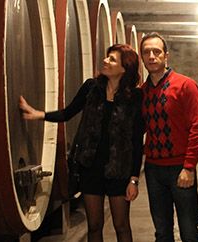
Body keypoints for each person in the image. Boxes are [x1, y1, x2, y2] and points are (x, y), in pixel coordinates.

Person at [19, 44, 144, 242]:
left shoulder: (135, 97)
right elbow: (67, 113)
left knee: (121, 226)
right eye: (107, 57)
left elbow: (137, 141)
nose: (105, 61)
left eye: (112, 59)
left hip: (119, 170)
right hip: (90, 167)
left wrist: (134, 179)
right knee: (94, 226)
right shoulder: (91, 88)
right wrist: (38, 114)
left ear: (124, 68)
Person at [139, 32, 198, 242]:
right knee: (162, 231)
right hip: (153, 169)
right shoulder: (143, 92)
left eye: (156, 51)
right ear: (142, 57)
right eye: (146, 52)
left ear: (166, 55)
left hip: (180, 168)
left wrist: (189, 167)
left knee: (189, 231)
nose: (152, 56)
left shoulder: (185, 85)